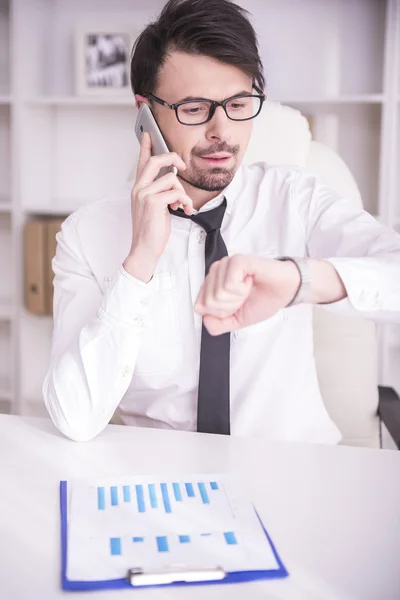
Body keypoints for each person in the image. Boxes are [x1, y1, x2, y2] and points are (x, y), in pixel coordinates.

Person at [43, 0, 400, 443]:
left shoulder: (294, 197)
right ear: (145, 113)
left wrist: (300, 280)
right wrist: (139, 263)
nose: (222, 131)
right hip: (165, 483)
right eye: (194, 108)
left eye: (238, 103)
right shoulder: (87, 236)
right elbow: (73, 418)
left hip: (295, 473)